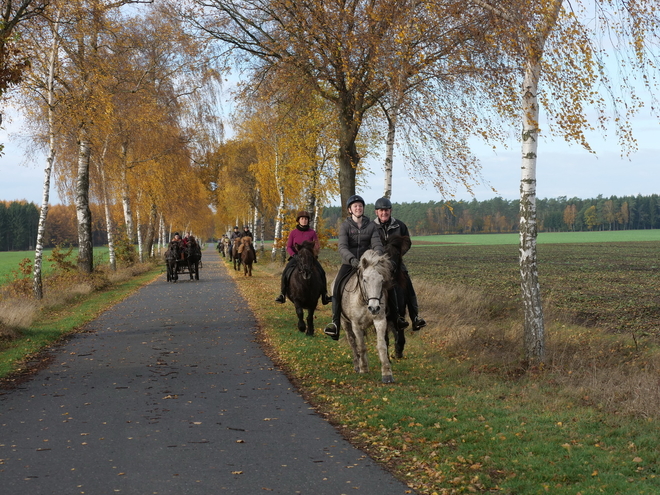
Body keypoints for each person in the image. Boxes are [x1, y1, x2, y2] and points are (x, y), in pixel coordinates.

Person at [324, 195, 384, 340]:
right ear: (350, 210)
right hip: (349, 264)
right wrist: (352, 260)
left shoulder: (371, 226)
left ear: (363, 208)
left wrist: (377, 258)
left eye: (360, 206)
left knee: (387, 284)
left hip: (367, 265)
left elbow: (377, 244)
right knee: (337, 287)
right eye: (355, 206)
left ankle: (394, 317)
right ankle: (335, 323)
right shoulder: (345, 226)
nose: (358, 208)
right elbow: (342, 246)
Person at [373, 197, 427, 331]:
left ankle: (415, 317)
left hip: (396, 263)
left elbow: (407, 242)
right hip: (378, 264)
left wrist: (397, 255)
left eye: (386, 210)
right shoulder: (371, 227)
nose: (384, 213)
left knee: (408, 284)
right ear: (376, 212)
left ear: (390, 211)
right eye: (381, 210)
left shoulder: (400, 225)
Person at [275, 210, 332, 305]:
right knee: (286, 272)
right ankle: (282, 294)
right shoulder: (293, 233)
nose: (304, 220)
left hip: (310, 258)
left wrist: (314, 253)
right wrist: (294, 255)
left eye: (306, 219)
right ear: (298, 220)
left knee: (322, 272)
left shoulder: (312, 232)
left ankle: (324, 295)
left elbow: (317, 245)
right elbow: (289, 246)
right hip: (296, 257)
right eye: (302, 219)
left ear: (308, 220)